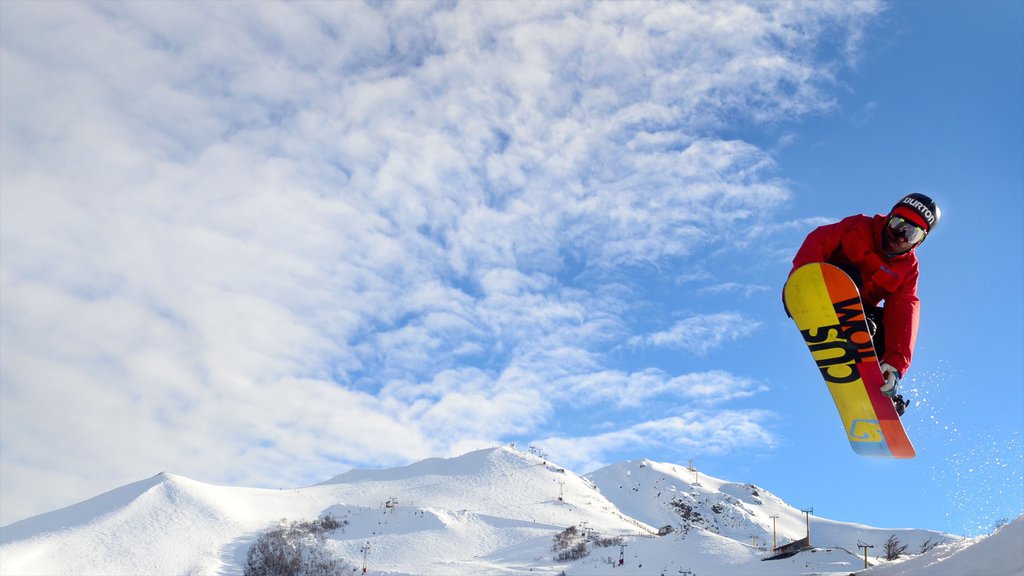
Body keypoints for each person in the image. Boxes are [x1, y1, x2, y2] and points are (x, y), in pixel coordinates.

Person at [788, 193, 940, 415]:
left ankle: (879, 387)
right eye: (898, 224)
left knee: (885, 328)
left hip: (860, 314)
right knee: (852, 276)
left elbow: (904, 313)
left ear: (920, 241)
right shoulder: (859, 226)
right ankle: (852, 320)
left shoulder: (908, 269)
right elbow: (819, 239)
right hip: (823, 286)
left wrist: (895, 365)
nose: (899, 236)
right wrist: (803, 279)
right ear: (888, 217)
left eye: (911, 233)